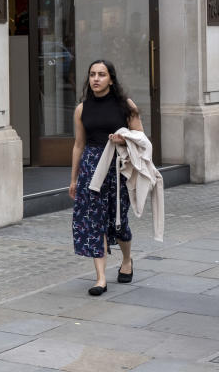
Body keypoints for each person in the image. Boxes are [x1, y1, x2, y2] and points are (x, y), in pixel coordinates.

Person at [69, 59, 140, 296]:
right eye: (92, 74)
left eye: (101, 74)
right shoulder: (82, 108)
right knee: (94, 222)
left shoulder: (125, 106)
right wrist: (73, 179)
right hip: (91, 169)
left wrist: (124, 139)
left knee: (118, 222)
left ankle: (127, 260)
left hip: (118, 169)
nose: (96, 79)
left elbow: (141, 138)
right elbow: (78, 145)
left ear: (111, 78)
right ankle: (100, 279)